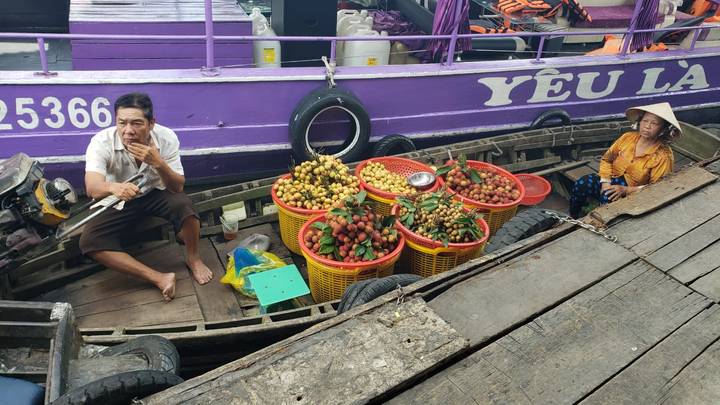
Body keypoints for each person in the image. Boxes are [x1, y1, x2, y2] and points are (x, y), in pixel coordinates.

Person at [80, 93, 213, 300]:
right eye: (122, 123)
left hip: (154, 193)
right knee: (90, 241)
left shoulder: (166, 137)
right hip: (119, 201)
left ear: (151, 123)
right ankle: (159, 278)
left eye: (137, 123)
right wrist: (114, 187)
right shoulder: (101, 142)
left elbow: (177, 186)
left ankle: (193, 258)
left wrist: (158, 163)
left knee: (185, 207)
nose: (128, 131)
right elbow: (92, 187)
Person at [568, 102, 682, 219]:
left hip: (635, 192)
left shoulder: (663, 155)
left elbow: (657, 187)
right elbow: (607, 159)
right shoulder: (627, 137)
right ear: (640, 121)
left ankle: (602, 222)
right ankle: (574, 216)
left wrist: (626, 190)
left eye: (654, 123)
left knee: (608, 199)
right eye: (645, 121)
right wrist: (605, 183)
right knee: (582, 183)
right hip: (611, 178)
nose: (647, 126)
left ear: (662, 129)